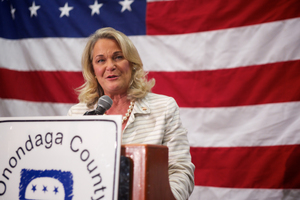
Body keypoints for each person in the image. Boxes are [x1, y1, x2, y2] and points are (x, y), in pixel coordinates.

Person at [67, 27, 195, 200]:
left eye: (118, 57)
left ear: (132, 64)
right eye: (101, 60)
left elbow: (180, 169)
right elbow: (70, 168)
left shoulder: (164, 108)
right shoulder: (78, 114)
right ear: (93, 70)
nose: (110, 66)